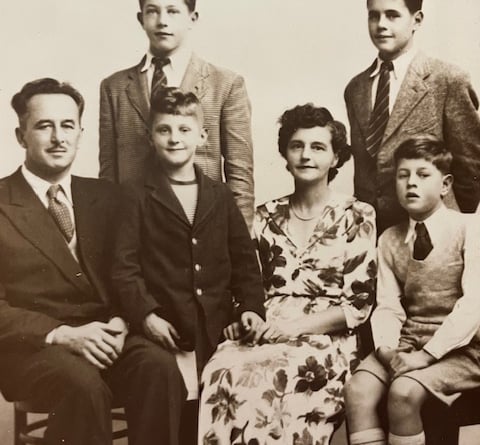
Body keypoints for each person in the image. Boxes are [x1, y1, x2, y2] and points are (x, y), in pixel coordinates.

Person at [0, 78, 179, 445]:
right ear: (21, 136)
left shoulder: (107, 197)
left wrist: (121, 321)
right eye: (44, 126)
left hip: (105, 335)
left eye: (67, 126)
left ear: (81, 133)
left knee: (159, 367)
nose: (58, 138)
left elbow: (132, 275)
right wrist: (63, 335)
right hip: (35, 347)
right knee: (83, 388)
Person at [198, 104, 377, 445]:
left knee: (278, 374)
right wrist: (245, 317)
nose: (306, 155)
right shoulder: (264, 216)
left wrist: (292, 329)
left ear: (336, 158)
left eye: (318, 147)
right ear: (285, 153)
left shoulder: (357, 215)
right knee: (221, 370)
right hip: (267, 325)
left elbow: (357, 305)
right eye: (297, 146)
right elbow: (248, 284)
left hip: (327, 336)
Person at [111, 88, 265, 445]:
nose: (174, 138)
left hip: (217, 329)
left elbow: (245, 262)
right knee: (172, 415)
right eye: (164, 130)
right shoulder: (135, 194)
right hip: (166, 328)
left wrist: (252, 308)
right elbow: (124, 267)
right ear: (150, 136)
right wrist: (146, 315)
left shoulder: (220, 195)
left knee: (219, 418)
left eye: (184, 129)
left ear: (202, 135)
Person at [343, 136, 480, 445]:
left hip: (464, 348)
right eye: (403, 175)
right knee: (357, 391)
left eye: (422, 174)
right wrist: (388, 350)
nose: (411, 183)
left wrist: (427, 355)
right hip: (409, 340)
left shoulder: (470, 228)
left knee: (403, 393)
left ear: (445, 185)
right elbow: (389, 305)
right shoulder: (390, 240)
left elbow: (475, 305)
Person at [99, 0, 255, 229]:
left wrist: (240, 244)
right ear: (140, 18)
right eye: (152, 11)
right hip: (134, 230)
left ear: (192, 18)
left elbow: (240, 174)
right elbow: (108, 174)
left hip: (201, 228)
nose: (162, 21)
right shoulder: (114, 87)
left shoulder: (225, 84)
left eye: (173, 11)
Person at [344, 0, 480, 233]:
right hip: (371, 231)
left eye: (392, 15)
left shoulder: (447, 80)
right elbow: (365, 168)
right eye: (373, 16)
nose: (381, 25)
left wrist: (452, 227)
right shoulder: (355, 88)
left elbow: (470, 167)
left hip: (432, 231)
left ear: (416, 20)